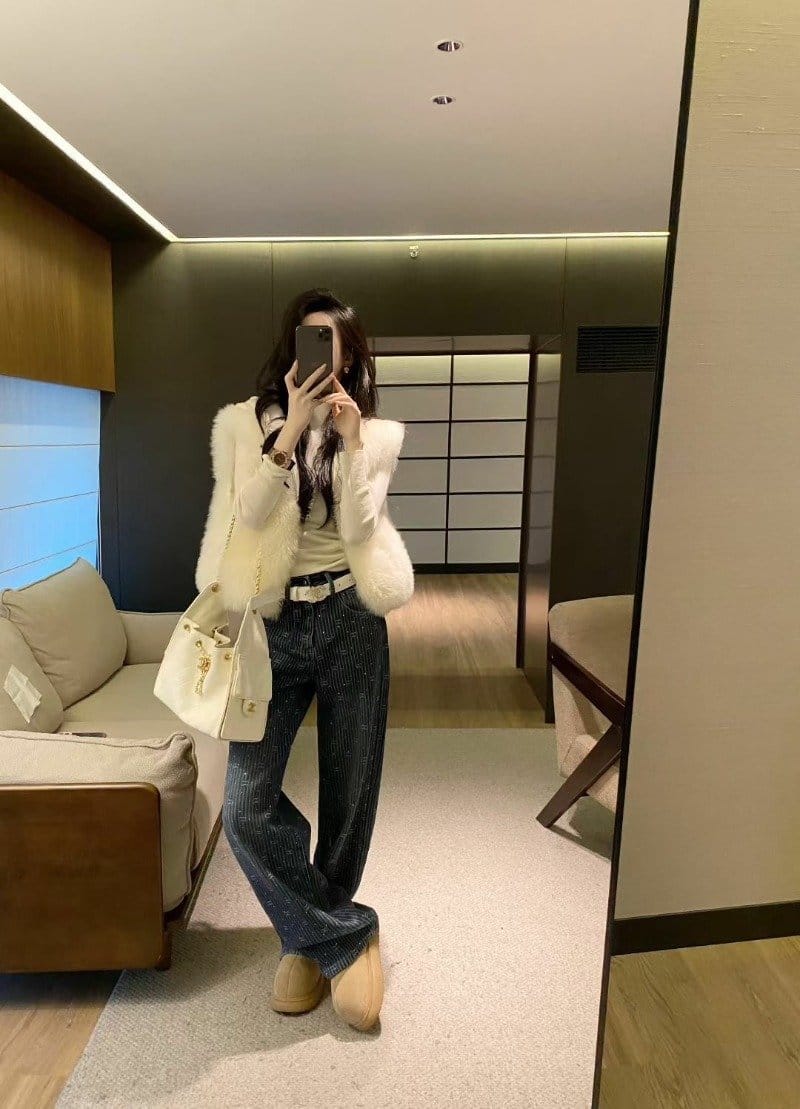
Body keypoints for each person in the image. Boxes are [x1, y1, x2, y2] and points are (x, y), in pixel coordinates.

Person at [194, 288, 414, 1031]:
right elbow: (247, 517)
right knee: (245, 805)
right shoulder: (243, 425)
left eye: (335, 339)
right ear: (292, 347)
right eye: (309, 337)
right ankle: (338, 935)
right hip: (274, 626)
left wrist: (350, 444)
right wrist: (288, 429)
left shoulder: (374, 435)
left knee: (352, 787)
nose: (321, 350)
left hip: (351, 617)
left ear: (351, 355)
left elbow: (360, 527)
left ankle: (308, 937)